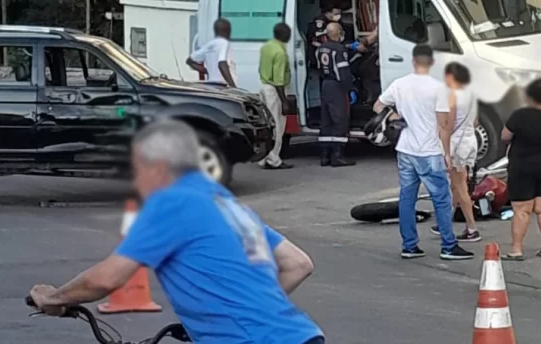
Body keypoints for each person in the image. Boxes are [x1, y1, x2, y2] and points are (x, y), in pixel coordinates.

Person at [29, 119, 324, 344]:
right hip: (300, 335)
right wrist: (224, 315)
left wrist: (54, 298)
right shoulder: (226, 205)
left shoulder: (173, 202)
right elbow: (298, 264)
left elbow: (107, 278)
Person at [374, 44, 474, 261]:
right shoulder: (438, 88)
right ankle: (448, 245)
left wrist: (397, 117)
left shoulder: (399, 84)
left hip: (405, 149)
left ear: (413, 61)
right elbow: (443, 126)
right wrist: (446, 154)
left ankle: (409, 246)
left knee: (407, 198)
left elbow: (378, 106)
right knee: (441, 198)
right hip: (429, 150)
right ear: (432, 63)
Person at [500, 78, 541, 260]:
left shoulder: (520, 115)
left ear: (529, 96)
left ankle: (517, 249)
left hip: (523, 165)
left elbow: (505, 135)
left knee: (522, 209)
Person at [430, 62, 481, 243]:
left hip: (456, 144)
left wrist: (444, 150)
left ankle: (472, 228)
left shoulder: (451, 96)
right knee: (457, 183)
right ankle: (446, 220)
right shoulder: (472, 94)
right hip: (469, 141)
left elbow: (448, 126)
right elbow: (475, 122)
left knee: (460, 186)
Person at [315, 22, 356, 168]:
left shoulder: (321, 48)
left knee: (326, 120)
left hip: (325, 84)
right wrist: (350, 89)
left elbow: (320, 68)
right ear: (338, 33)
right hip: (337, 86)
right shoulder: (339, 50)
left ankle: (324, 156)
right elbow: (343, 72)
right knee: (340, 119)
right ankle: (337, 156)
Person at [258, 23, 293, 170]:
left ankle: (265, 158)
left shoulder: (267, 46)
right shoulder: (280, 53)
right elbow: (279, 80)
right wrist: (284, 102)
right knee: (278, 126)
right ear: (285, 35)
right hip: (275, 90)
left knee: (267, 125)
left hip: (264, 86)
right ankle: (274, 159)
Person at [186, 18, 237, 87]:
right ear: (228, 31)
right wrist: (233, 86)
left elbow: (189, 61)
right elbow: (222, 63)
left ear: (215, 31)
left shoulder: (209, 45)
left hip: (211, 85)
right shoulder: (225, 43)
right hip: (224, 87)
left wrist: (207, 71)